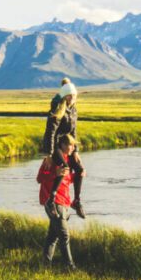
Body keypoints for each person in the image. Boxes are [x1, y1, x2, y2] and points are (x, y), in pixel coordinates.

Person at [41, 77, 86, 217]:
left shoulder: (73, 110)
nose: (72, 97)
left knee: (79, 169)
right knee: (64, 167)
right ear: (65, 96)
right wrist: (49, 154)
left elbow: (73, 131)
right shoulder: (57, 109)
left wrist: (76, 151)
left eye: (74, 95)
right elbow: (51, 133)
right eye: (69, 95)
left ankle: (76, 201)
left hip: (67, 143)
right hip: (55, 144)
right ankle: (51, 200)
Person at [37, 133, 77, 270]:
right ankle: (70, 266)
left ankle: (45, 265)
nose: (73, 147)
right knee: (64, 234)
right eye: (71, 145)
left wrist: (77, 175)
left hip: (64, 202)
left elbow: (67, 181)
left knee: (53, 236)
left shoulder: (68, 160)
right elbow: (39, 178)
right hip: (53, 202)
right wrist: (55, 173)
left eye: (73, 145)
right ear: (63, 145)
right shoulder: (50, 161)